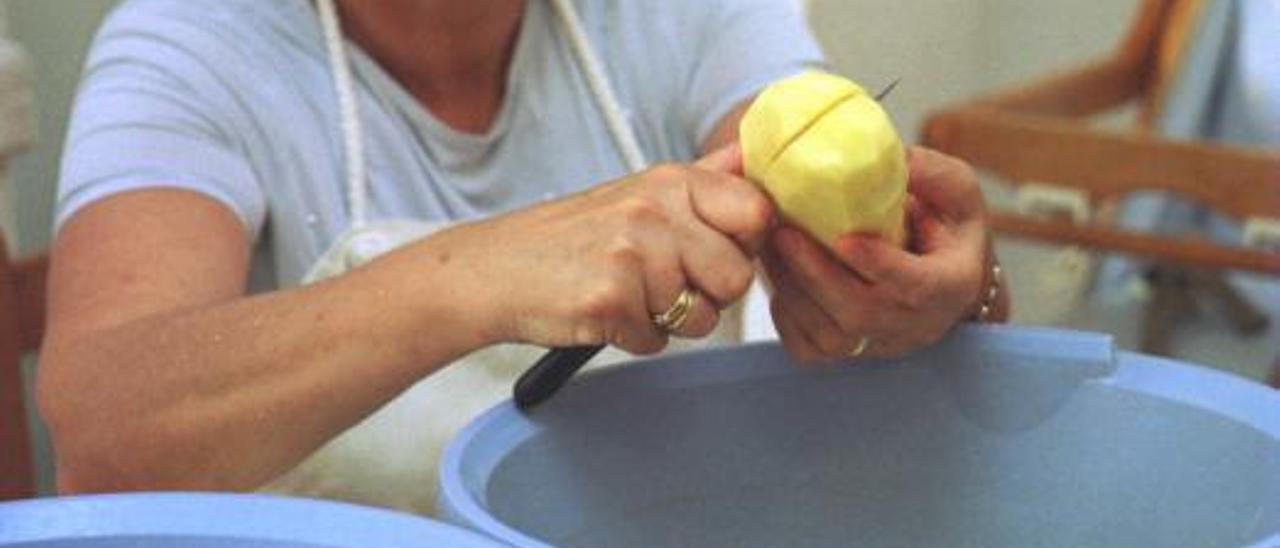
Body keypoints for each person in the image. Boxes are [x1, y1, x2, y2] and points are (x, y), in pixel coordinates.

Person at [37, 0, 1008, 514]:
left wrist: (912, 278)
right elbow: (106, 424)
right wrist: (474, 276)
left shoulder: (687, 13)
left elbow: (827, 176)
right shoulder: (190, 43)